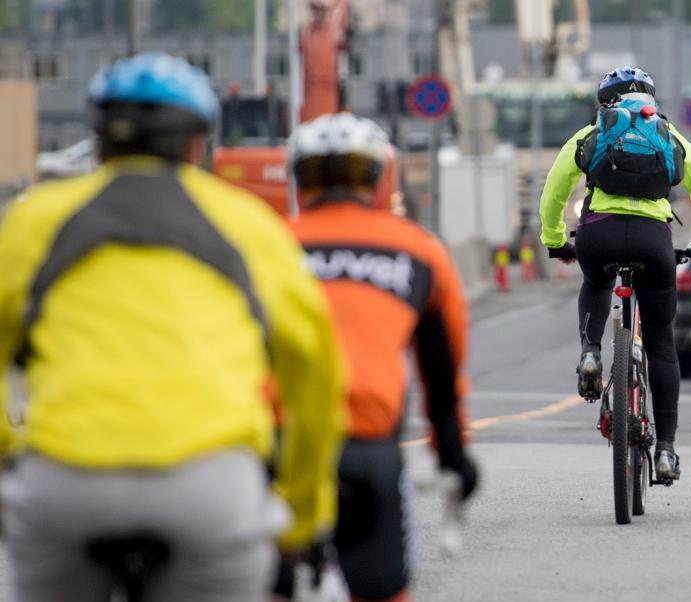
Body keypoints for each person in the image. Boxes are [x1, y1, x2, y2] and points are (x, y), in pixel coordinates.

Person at [0, 52, 344, 601]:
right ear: (196, 143)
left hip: (66, 477)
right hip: (210, 485)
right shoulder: (247, 223)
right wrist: (303, 512)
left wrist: (10, 459)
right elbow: (316, 375)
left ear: (100, 139)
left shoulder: (36, 217)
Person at [286, 112, 478, 601]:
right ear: (375, 178)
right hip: (366, 447)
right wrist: (454, 457)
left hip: (279, 446)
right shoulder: (417, 250)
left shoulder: (267, 244)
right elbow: (443, 371)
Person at [539, 67, 691, 480]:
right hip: (652, 241)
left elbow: (555, 187)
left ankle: (591, 352)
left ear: (605, 100)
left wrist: (555, 241)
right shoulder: (667, 133)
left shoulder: (595, 131)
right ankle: (666, 450)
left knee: (595, 280)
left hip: (598, 235)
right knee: (661, 343)